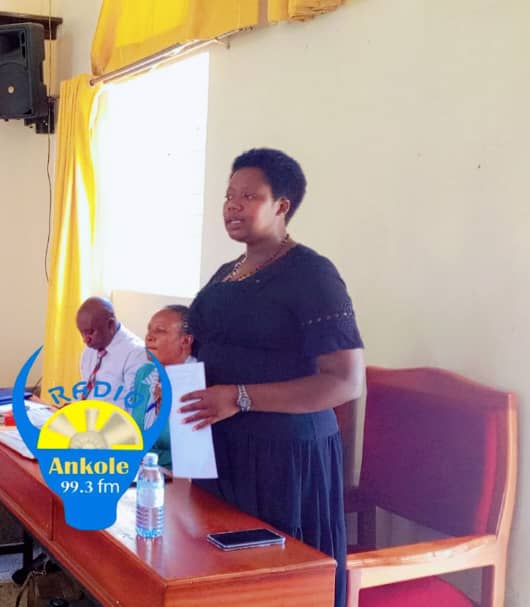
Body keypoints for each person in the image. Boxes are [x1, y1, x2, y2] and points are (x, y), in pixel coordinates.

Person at [178, 149, 364, 607]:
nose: (232, 205)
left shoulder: (312, 274)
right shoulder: (227, 274)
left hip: (284, 458)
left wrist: (239, 397)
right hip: (223, 447)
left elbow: (345, 381)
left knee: (274, 585)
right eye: (229, 195)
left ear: (282, 205)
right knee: (221, 577)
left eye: (249, 196)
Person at [126, 305, 195, 468]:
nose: (149, 337)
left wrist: (144, 456)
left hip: (179, 477)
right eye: (149, 330)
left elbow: (192, 455)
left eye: (160, 331)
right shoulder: (144, 374)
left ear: (185, 341)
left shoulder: (195, 383)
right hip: (142, 471)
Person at [75, 297, 144, 406]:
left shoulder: (136, 354)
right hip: (86, 413)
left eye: (90, 332)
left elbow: (134, 407)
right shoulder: (90, 349)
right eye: (82, 333)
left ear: (110, 325)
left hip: (110, 416)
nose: (85, 339)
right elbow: (86, 389)